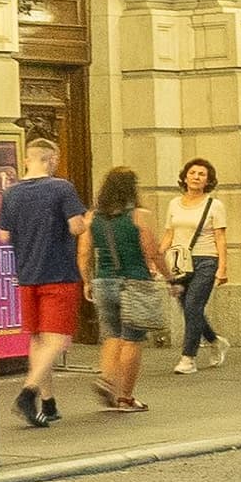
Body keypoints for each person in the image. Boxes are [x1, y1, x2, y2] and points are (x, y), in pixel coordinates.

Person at [0, 139, 87, 429]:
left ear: (27, 160)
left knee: (37, 339)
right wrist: (84, 221)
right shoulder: (62, 188)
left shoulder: (11, 193)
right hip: (59, 273)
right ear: (51, 160)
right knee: (57, 339)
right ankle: (28, 393)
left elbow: (3, 236)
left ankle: (48, 403)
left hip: (26, 274)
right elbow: (76, 227)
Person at [81, 165, 166, 411]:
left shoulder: (91, 217)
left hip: (103, 282)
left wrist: (87, 281)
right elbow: (153, 251)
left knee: (112, 335)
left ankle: (107, 379)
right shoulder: (139, 215)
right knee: (132, 339)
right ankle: (125, 397)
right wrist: (170, 278)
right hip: (133, 282)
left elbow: (84, 252)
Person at [160, 157, 230, 373]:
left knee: (193, 306)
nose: (196, 177)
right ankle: (215, 340)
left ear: (208, 180)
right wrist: (157, 258)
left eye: (201, 174)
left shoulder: (214, 205)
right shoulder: (174, 203)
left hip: (206, 260)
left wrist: (222, 267)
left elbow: (220, 237)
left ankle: (188, 358)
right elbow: (169, 234)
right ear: (185, 177)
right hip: (179, 262)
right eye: (192, 173)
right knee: (189, 308)